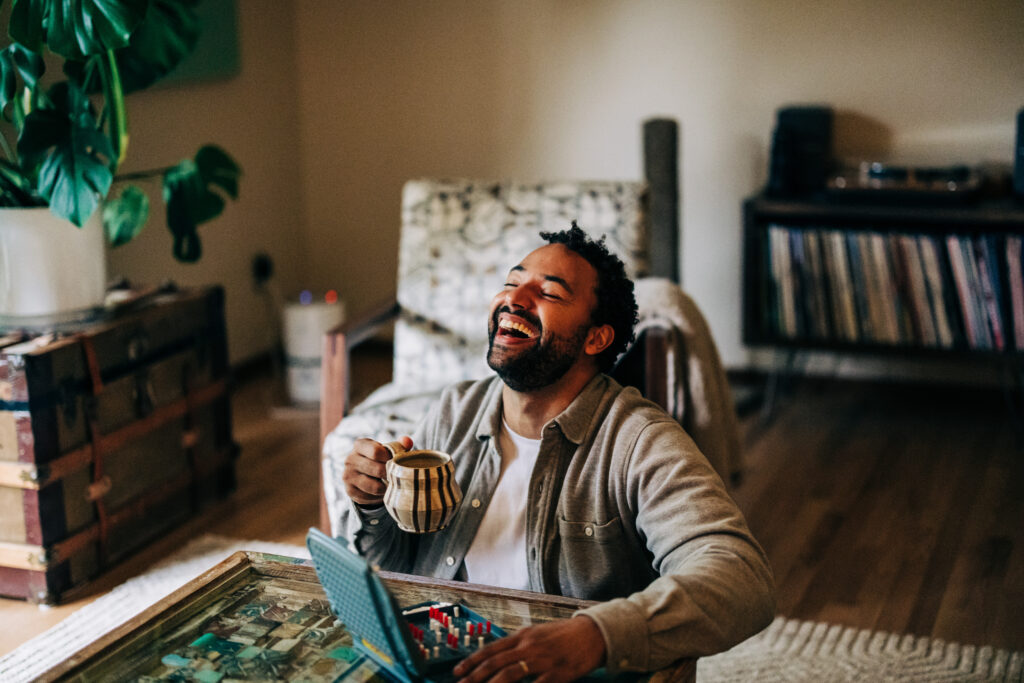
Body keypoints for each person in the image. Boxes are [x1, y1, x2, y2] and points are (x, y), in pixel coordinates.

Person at [338, 223, 775, 681]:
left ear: (596, 338)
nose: (515, 299)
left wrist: (596, 635)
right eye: (511, 283)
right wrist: (371, 504)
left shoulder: (640, 440)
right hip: (443, 660)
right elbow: (394, 568)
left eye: (548, 292)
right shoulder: (455, 410)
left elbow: (742, 578)